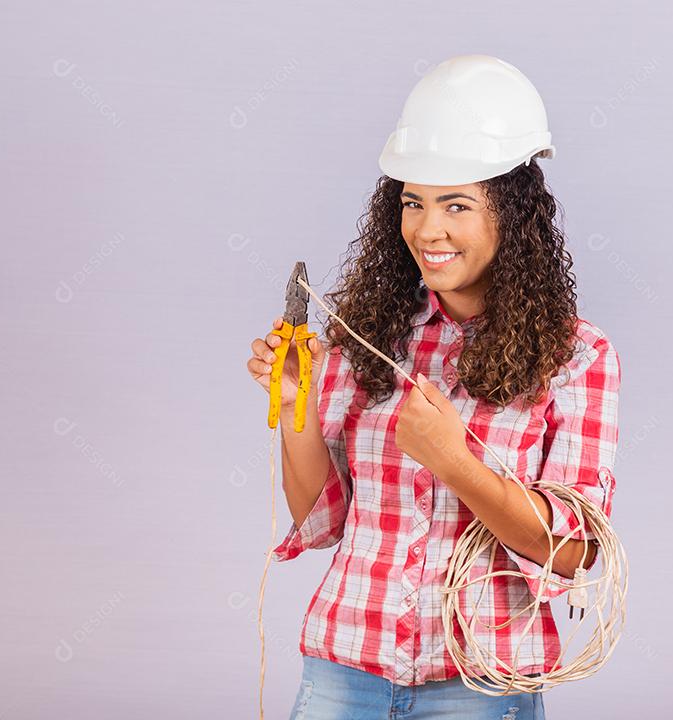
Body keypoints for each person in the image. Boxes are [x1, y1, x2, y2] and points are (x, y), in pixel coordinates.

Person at [245, 54, 621, 720]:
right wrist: (296, 406)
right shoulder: (372, 336)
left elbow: (572, 550)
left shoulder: (577, 357)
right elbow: (320, 518)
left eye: (455, 205)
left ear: (512, 216)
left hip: (478, 680)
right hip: (344, 665)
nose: (427, 229)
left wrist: (453, 461)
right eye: (413, 202)